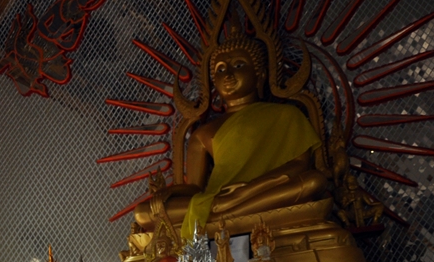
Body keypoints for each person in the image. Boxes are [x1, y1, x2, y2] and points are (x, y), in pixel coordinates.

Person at [134, 19, 328, 241]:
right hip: (219, 201)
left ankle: (221, 214)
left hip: (256, 195)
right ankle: (224, 212)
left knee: (314, 182)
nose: (228, 74)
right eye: (220, 69)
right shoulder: (203, 133)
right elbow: (196, 188)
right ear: (212, 81)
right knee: (143, 213)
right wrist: (170, 192)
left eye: (238, 65)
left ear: (260, 75)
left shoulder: (286, 115)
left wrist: (246, 190)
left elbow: (300, 166)